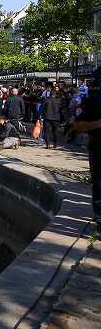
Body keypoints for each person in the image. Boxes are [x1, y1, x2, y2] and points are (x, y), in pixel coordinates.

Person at [74, 72, 101, 228]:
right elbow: (78, 126)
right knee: (98, 185)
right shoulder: (92, 102)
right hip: (98, 149)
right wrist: (97, 124)